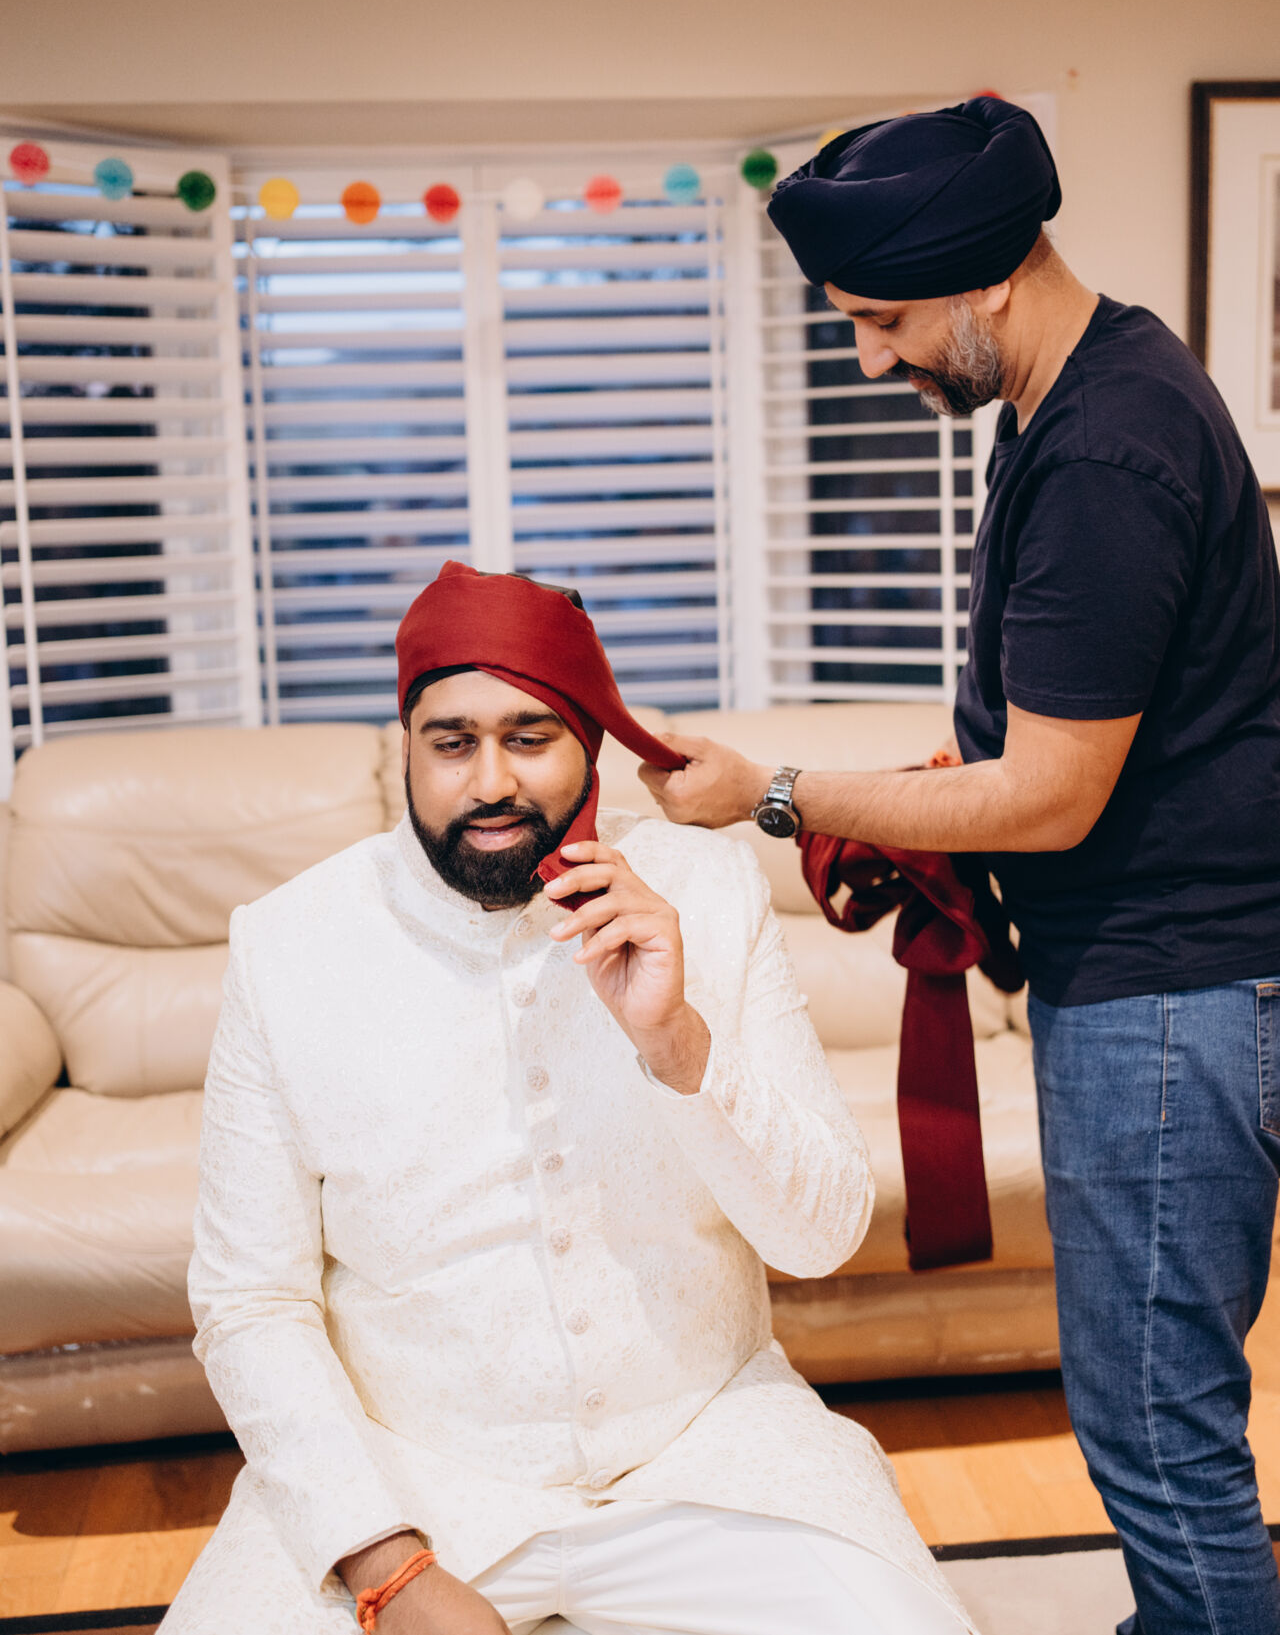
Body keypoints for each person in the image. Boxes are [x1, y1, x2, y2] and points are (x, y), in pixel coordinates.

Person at [640, 97, 1280, 1635]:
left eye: (883, 321)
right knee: (1159, 1398)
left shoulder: (1106, 450)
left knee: (1154, 1419)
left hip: (1169, 996)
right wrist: (957, 775)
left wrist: (773, 792)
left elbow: (1051, 799)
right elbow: (1068, 731)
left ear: (989, 274)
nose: (869, 359)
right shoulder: (1077, 394)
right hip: (1169, 979)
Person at [161, 560, 970, 1635]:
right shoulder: (287, 946)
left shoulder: (707, 890)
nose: (490, 781)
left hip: (709, 1455)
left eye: (529, 737)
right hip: (403, 1480)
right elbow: (248, 1301)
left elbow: (820, 1237)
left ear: (589, 743)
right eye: (452, 742)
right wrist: (387, 1567)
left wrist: (675, 1039)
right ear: (406, 749)